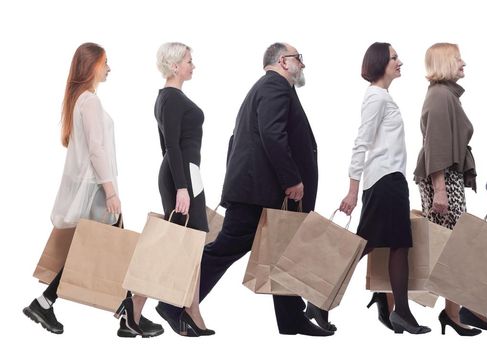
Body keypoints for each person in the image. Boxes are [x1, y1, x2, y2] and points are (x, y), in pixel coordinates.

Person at [154, 42, 333, 337]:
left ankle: (291, 319)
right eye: (297, 58)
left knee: (281, 251)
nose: (302, 63)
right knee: (227, 247)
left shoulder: (269, 88)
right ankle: (173, 302)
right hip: (257, 193)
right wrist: (291, 179)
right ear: (282, 61)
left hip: (257, 190)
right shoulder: (274, 86)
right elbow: (272, 136)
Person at [22, 42, 163, 338]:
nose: (109, 68)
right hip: (98, 188)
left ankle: (122, 313)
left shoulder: (80, 100)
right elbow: (97, 150)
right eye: (106, 62)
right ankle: (51, 302)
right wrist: (111, 191)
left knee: (101, 247)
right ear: (92, 66)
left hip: (92, 187)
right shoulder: (90, 102)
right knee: (108, 248)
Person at [339, 42, 429, 335]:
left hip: (390, 181)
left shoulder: (382, 96)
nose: (400, 61)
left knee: (395, 245)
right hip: (384, 182)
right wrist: (352, 190)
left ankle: (400, 311)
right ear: (380, 63)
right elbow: (360, 143)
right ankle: (321, 298)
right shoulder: (376, 98)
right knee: (368, 245)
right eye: (394, 57)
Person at [414, 42, 487, 336]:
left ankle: (457, 310)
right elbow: (434, 145)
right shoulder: (439, 96)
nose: (463, 63)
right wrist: (439, 190)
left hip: (448, 179)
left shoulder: (446, 95)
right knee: (450, 250)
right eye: (458, 58)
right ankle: (453, 313)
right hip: (442, 180)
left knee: (454, 249)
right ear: (445, 63)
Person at [149, 42, 212, 336]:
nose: (193, 65)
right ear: (175, 66)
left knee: (191, 242)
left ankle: (187, 306)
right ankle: (182, 307)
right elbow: (171, 146)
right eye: (189, 60)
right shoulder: (171, 98)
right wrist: (182, 188)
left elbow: (167, 147)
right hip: (182, 176)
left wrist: (186, 181)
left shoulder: (169, 97)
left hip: (187, 174)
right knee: (184, 243)